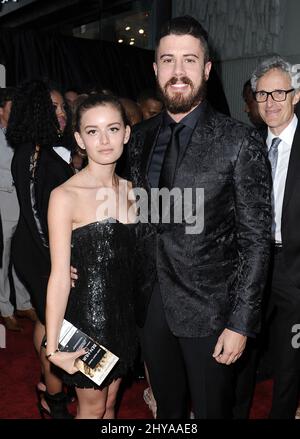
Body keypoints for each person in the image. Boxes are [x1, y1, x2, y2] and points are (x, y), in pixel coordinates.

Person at [127, 15, 272, 419]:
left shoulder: (238, 141)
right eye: (168, 60)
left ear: (206, 69)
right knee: (167, 412)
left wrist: (241, 322)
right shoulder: (138, 140)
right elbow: (138, 221)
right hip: (151, 305)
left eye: (189, 60)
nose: (178, 72)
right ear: (155, 69)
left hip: (211, 312)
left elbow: (256, 241)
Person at [45, 93, 138, 419]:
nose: (104, 140)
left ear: (126, 133)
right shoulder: (65, 195)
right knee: (92, 409)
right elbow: (58, 275)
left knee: (110, 405)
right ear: (79, 139)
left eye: (112, 129)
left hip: (125, 319)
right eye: (92, 131)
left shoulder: (132, 190)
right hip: (88, 322)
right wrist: (53, 347)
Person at [7, 80, 74, 418]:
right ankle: (55, 399)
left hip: (34, 249)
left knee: (49, 323)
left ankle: (48, 385)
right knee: (56, 328)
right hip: (40, 253)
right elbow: (37, 216)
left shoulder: (36, 150)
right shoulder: (36, 155)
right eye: (54, 108)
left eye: (63, 107)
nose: (61, 113)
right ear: (36, 112)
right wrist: (59, 264)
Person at [250, 56, 300, 418]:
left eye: (279, 92)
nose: (270, 101)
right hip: (252, 264)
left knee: (289, 363)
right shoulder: (247, 145)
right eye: (262, 93)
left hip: (295, 270)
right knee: (239, 356)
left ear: (296, 95)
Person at [0, 87, 36, 331]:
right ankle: (5, 308)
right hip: (3, 205)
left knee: (21, 255)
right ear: (1, 111)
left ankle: (23, 303)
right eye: (13, 110)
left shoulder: (22, 134)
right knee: (3, 259)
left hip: (24, 205)